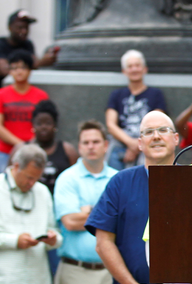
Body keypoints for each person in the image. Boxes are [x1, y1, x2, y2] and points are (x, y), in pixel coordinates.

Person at [86, 111, 179, 284]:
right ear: (140, 143)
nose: (156, 136)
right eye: (149, 132)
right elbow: (103, 243)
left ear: (176, 139)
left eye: (163, 130)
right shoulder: (120, 183)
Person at [0, 9, 58, 175]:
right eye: (20, 26)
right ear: (10, 26)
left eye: (26, 27)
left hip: (28, 146)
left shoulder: (28, 45)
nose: (23, 31)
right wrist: (40, 62)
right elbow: (3, 68)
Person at [0, 144, 63, 284]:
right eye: (29, 177)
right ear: (16, 166)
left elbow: (55, 231)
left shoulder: (42, 191)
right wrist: (14, 241)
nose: (32, 183)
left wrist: (53, 239)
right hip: (1, 279)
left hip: (38, 278)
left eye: (36, 178)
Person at [53, 120, 117, 284]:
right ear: (79, 147)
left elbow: (126, 221)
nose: (90, 146)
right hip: (75, 271)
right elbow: (70, 222)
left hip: (111, 271)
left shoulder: (118, 179)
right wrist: (109, 216)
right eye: (85, 142)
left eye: (95, 142)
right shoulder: (67, 178)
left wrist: (88, 211)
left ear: (106, 145)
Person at [105, 49, 167, 171]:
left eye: (137, 65)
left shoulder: (156, 94)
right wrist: (131, 143)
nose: (134, 69)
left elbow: (158, 122)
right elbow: (111, 125)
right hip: (121, 144)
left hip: (147, 141)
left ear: (145, 69)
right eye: (130, 66)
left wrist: (139, 145)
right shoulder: (116, 95)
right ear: (124, 71)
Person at [0, 49, 49, 174]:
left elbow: (46, 123)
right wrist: (19, 144)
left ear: (30, 70)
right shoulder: (0, 94)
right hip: (4, 151)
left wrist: (29, 144)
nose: (19, 71)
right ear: (10, 71)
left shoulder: (41, 95)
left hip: (32, 150)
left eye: (23, 67)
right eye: (14, 68)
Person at [9, 100, 78, 194]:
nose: (43, 127)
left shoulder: (68, 151)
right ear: (33, 125)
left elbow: (76, 180)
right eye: (39, 123)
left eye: (48, 123)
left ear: (55, 125)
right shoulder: (20, 149)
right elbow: (9, 178)